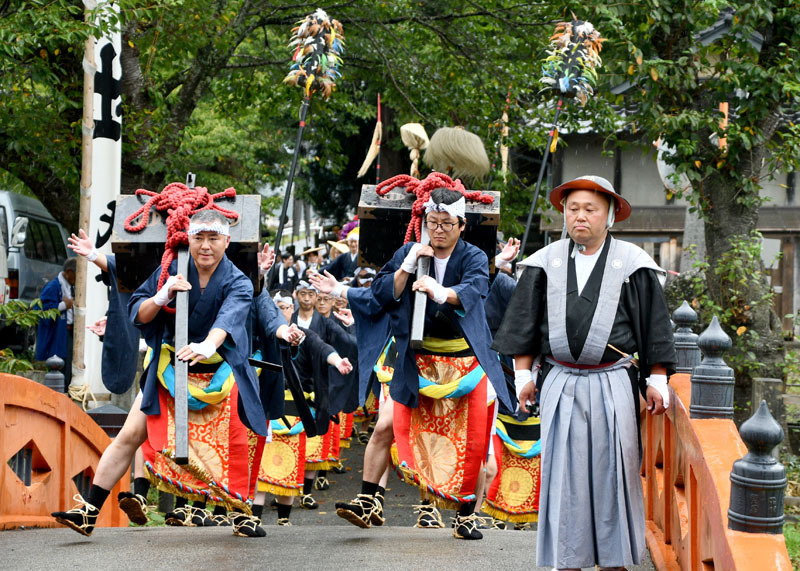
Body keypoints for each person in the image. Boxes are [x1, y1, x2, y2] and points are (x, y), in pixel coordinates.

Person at [51, 210, 294, 538]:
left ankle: (242, 511)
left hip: (220, 370)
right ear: (188, 239)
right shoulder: (172, 268)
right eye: (198, 238)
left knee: (241, 437)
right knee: (129, 434)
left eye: (213, 238)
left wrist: (208, 345)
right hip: (171, 367)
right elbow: (138, 311)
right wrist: (161, 296)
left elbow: (231, 317)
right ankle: (89, 511)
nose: (205, 246)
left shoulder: (238, 279)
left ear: (227, 241)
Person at [314, 173, 512, 540]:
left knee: (474, 439)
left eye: (446, 224)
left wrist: (440, 291)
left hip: (463, 361)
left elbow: (474, 291)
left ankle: (466, 514)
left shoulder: (473, 257)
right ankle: (368, 500)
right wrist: (405, 269)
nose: (438, 231)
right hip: (416, 361)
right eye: (432, 223)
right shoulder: (410, 251)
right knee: (384, 426)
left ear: (462, 225)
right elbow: (379, 296)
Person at [491, 175, 675, 570]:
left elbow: (653, 326)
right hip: (559, 381)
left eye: (590, 209)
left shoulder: (633, 264)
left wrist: (657, 378)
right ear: (563, 213)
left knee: (614, 475)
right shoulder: (543, 263)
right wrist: (523, 376)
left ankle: (613, 562)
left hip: (612, 382)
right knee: (564, 479)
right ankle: (568, 559)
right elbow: (523, 326)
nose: (580, 217)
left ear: (609, 215)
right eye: (573, 208)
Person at [35, 257, 76, 385]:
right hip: (57, 335)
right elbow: (44, 312)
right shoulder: (53, 287)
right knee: (59, 368)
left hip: (68, 333)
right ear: (69, 272)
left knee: (68, 368)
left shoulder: (70, 286)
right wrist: (65, 305)